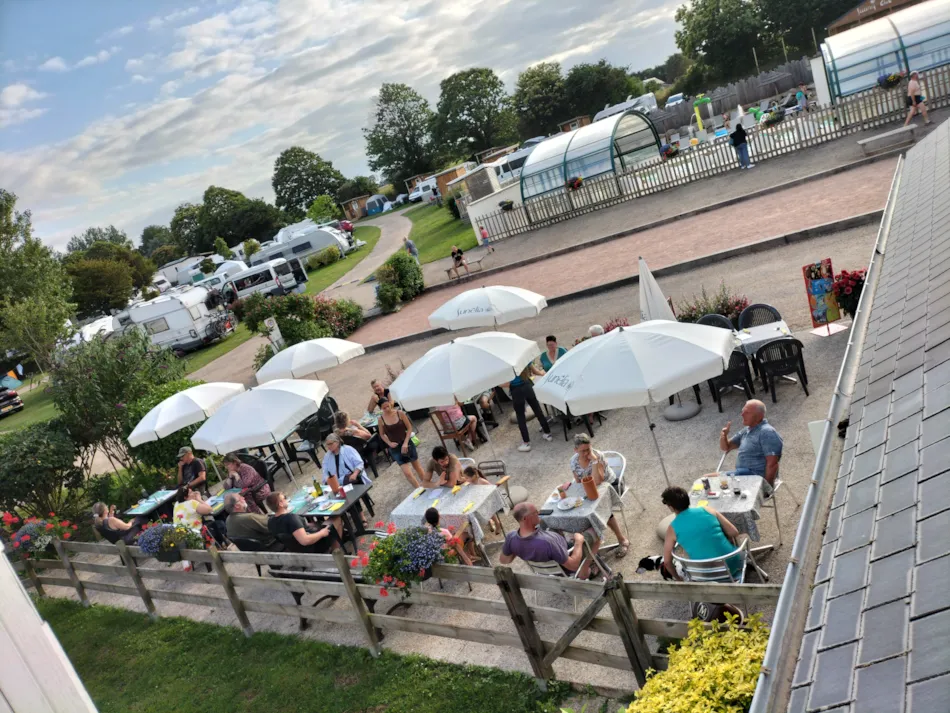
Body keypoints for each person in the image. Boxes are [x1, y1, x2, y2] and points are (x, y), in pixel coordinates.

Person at [661, 486, 744, 588]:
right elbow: (734, 532)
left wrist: (679, 580)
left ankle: (717, 603)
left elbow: (667, 562)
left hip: (706, 574)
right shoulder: (707, 510)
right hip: (733, 563)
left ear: (671, 508)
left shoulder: (672, 529)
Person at [499, 503, 598, 579]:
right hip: (567, 567)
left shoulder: (511, 537)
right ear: (526, 518)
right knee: (595, 529)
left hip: (547, 570)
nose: (538, 513)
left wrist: (519, 548)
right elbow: (573, 565)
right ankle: (584, 571)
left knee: (548, 524)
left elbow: (504, 560)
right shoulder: (548, 542)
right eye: (535, 512)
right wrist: (578, 542)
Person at [569, 434, 631, 556]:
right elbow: (577, 481)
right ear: (575, 450)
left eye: (588, 449)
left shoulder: (597, 456)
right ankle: (593, 544)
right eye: (583, 451)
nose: (586, 453)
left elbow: (598, 480)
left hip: (611, 486)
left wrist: (595, 461)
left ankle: (622, 539)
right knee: (579, 511)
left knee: (601, 510)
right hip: (590, 488)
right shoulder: (573, 461)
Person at [719, 399, 783, 487]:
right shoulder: (747, 430)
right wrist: (724, 436)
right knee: (711, 485)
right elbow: (726, 447)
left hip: (755, 478)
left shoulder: (767, 432)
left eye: (747, 412)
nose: (742, 415)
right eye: (742, 411)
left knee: (710, 480)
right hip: (742, 475)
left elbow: (772, 464)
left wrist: (767, 487)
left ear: (759, 416)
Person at [265, 491, 341, 553]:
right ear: (280, 504)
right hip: (314, 547)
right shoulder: (291, 518)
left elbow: (289, 534)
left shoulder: (271, 522)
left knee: (317, 523)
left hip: (297, 550)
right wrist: (322, 533)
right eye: (284, 498)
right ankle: (335, 552)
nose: (286, 499)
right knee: (336, 519)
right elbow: (305, 540)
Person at [505, 363, 552, 452]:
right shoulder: (523, 358)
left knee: (520, 417)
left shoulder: (506, 364)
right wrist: (542, 373)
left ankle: (526, 442)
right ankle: (547, 433)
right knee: (538, 410)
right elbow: (535, 371)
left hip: (516, 390)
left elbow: (503, 384)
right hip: (527, 385)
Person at [378, 398, 425, 487]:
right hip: (395, 448)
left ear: (390, 404)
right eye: (384, 408)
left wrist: (406, 442)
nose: (387, 409)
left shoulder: (400, 413)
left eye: (388, 406)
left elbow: (409, 428)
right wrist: (389, 443)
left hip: (407, 443)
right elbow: (382, 434)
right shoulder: (381, 419)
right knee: (407, 473)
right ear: (381, 408)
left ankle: (427, 484)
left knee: (417, 467)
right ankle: (418, 489)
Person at [461, 466, 504, 534]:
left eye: (467, 478)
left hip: (487, 500)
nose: (465, 479)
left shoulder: (481, 481)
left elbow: (492, 488)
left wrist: (484, 494)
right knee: (469, 509)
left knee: (484, 509)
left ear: (474, 476)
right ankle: (489, 521)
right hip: (478, 500)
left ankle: (497, 523)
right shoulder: (471, 482)